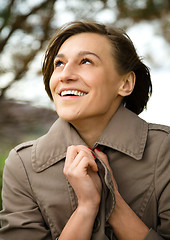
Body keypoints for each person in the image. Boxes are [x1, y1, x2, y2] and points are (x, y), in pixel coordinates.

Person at [0, 20, 169, 240]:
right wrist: (86, 208)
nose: (65, 75)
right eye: (59, 64)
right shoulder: (22, 165)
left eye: (86, 61)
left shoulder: (165, 151)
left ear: (126, 83)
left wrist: (115, 208)